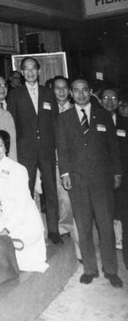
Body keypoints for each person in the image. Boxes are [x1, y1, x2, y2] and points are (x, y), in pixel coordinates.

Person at [57, 79, 123, 287]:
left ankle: (111, 270)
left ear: (90, 92)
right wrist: (64, 173)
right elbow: (62, 148)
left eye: (84, 90)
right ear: (70, 93)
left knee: (106, 227)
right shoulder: (64, 118)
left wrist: (117, 173)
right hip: (77, 180)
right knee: (83, 227)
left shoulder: (103, 115)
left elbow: (113, 147)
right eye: (76, 91)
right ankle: (89, 269)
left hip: (102, 181)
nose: (81, 94)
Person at [0, 129, 48, 273]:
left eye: (0, 145)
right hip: (6, 217)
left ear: (6, 147)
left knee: (18, 265)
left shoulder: (18, 169)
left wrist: (6, 230)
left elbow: (23, 205)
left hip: (24, 222)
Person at [7, 57, 61, 244]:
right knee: (26, 191)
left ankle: (53, 231)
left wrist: (56, 149)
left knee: (51, 190)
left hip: (46, 148)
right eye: (26, 69)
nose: (30, 72)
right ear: (21, 72)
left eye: (33, 69)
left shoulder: (48, 93)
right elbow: (12, 124)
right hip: (25, 150)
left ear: (39, 71)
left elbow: (55, 122)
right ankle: (27, 231)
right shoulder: (15, 95)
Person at [53, 76, 81, 259]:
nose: (61, 91)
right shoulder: (48, 110)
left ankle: (77, 237)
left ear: (69, 91)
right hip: (53, 161)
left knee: (72, 200)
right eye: (57, 88)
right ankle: (63, 227)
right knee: (61, 197)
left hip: (73, 163)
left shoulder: (76, 111)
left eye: (65, 88)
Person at [101, 87, 128, 270]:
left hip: (123, 179)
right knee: (106, 219)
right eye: (106, 97)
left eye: (113, 98)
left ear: (118, 102)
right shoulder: (93, 119)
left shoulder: (124, 122)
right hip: (101, 178)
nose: (110, 101)